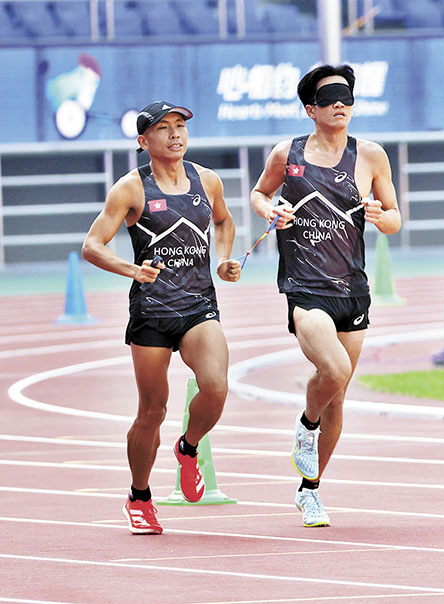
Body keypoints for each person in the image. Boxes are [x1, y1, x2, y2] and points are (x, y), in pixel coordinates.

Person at [249, 64, 400, 527]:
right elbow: (259, 194)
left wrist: (382, 215)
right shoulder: (287, 153)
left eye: (346, 97)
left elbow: (395, 218)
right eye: (329, 98)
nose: (340, 104)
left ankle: (310, 491)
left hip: (352, 289)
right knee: (334, 369)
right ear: (310, 109)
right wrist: (270, 209)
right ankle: (306, 424)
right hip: (304, 287)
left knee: (338, 397)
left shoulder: (370, 156)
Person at [82, 101, 242, 535]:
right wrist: (133, 270)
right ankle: (139, 496)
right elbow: (92, 246)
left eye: (180, 126)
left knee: (216, 385)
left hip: (198, 306)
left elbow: (224, 223)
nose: (175, 134)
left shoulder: (207, 180)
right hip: (152, 312)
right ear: (143, 140)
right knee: (152, 411)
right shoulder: (130, 189)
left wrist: (223, 259)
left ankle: (188, 448)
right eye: (163, 128)